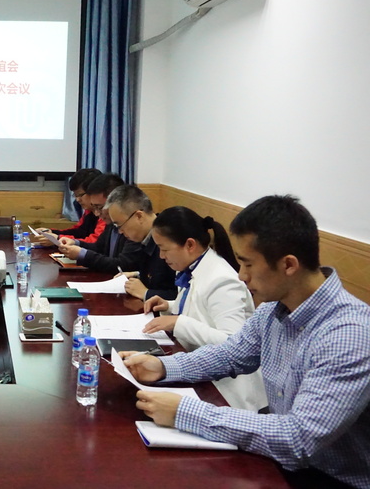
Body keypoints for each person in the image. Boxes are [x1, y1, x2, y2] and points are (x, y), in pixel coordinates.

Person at [124, 195, 370, 488]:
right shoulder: (273, 309)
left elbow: (298, 439)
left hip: (328, 477)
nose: (241, 276)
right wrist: (163, 367)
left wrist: (184, 412)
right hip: (282, 459)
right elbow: (230, 354)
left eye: (248, 264)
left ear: (288, 265)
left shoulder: (348, 334)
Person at [140, 206, 267, 411]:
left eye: (164, 249)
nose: (161, 256)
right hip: (199, 369)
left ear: (190, 245)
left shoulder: (223, 280)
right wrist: (170, 305)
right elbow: (200, 308)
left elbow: (232, 344)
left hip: (228, 391)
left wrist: (179, 322)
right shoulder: (193, 266)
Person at [56, 173, 142, 274]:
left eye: (99, 207)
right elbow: (98, 247)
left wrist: (82, 254)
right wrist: (75, 243)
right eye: (94, 207)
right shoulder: (111, 223)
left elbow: (121, 265)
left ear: (116, 201)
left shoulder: (133, 225)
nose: (96, 213)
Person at [103, 185, 177, 300]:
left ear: (139, 216)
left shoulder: (169, 241)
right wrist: (137, 275)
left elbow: (181, 295)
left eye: (120, 225)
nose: (120, 232)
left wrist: (146, 293)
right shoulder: (144, 239)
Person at [34, 168, 105, 246]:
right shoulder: (89, 210)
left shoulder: (106, 213)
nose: (77, 200)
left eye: (80, 195)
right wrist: (52, 232)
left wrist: (58, 239)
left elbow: (96, 242)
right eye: (75, 195)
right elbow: (78, 231)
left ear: (94, 191)